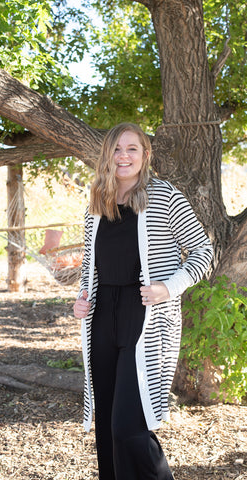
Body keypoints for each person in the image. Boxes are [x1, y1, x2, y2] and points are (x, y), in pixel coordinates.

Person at [73, 122, 213, 480]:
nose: (123, 156)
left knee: (128, 428)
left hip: (147, 319)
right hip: (102, 316)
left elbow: (202, 251)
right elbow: (91, 264)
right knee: (106, 424)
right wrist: (81, 298)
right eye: (117, 149)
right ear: (107, 155)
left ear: (145, 155)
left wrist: (170, 287)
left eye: (132, 149)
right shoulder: (96, 202)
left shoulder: (164, 196)